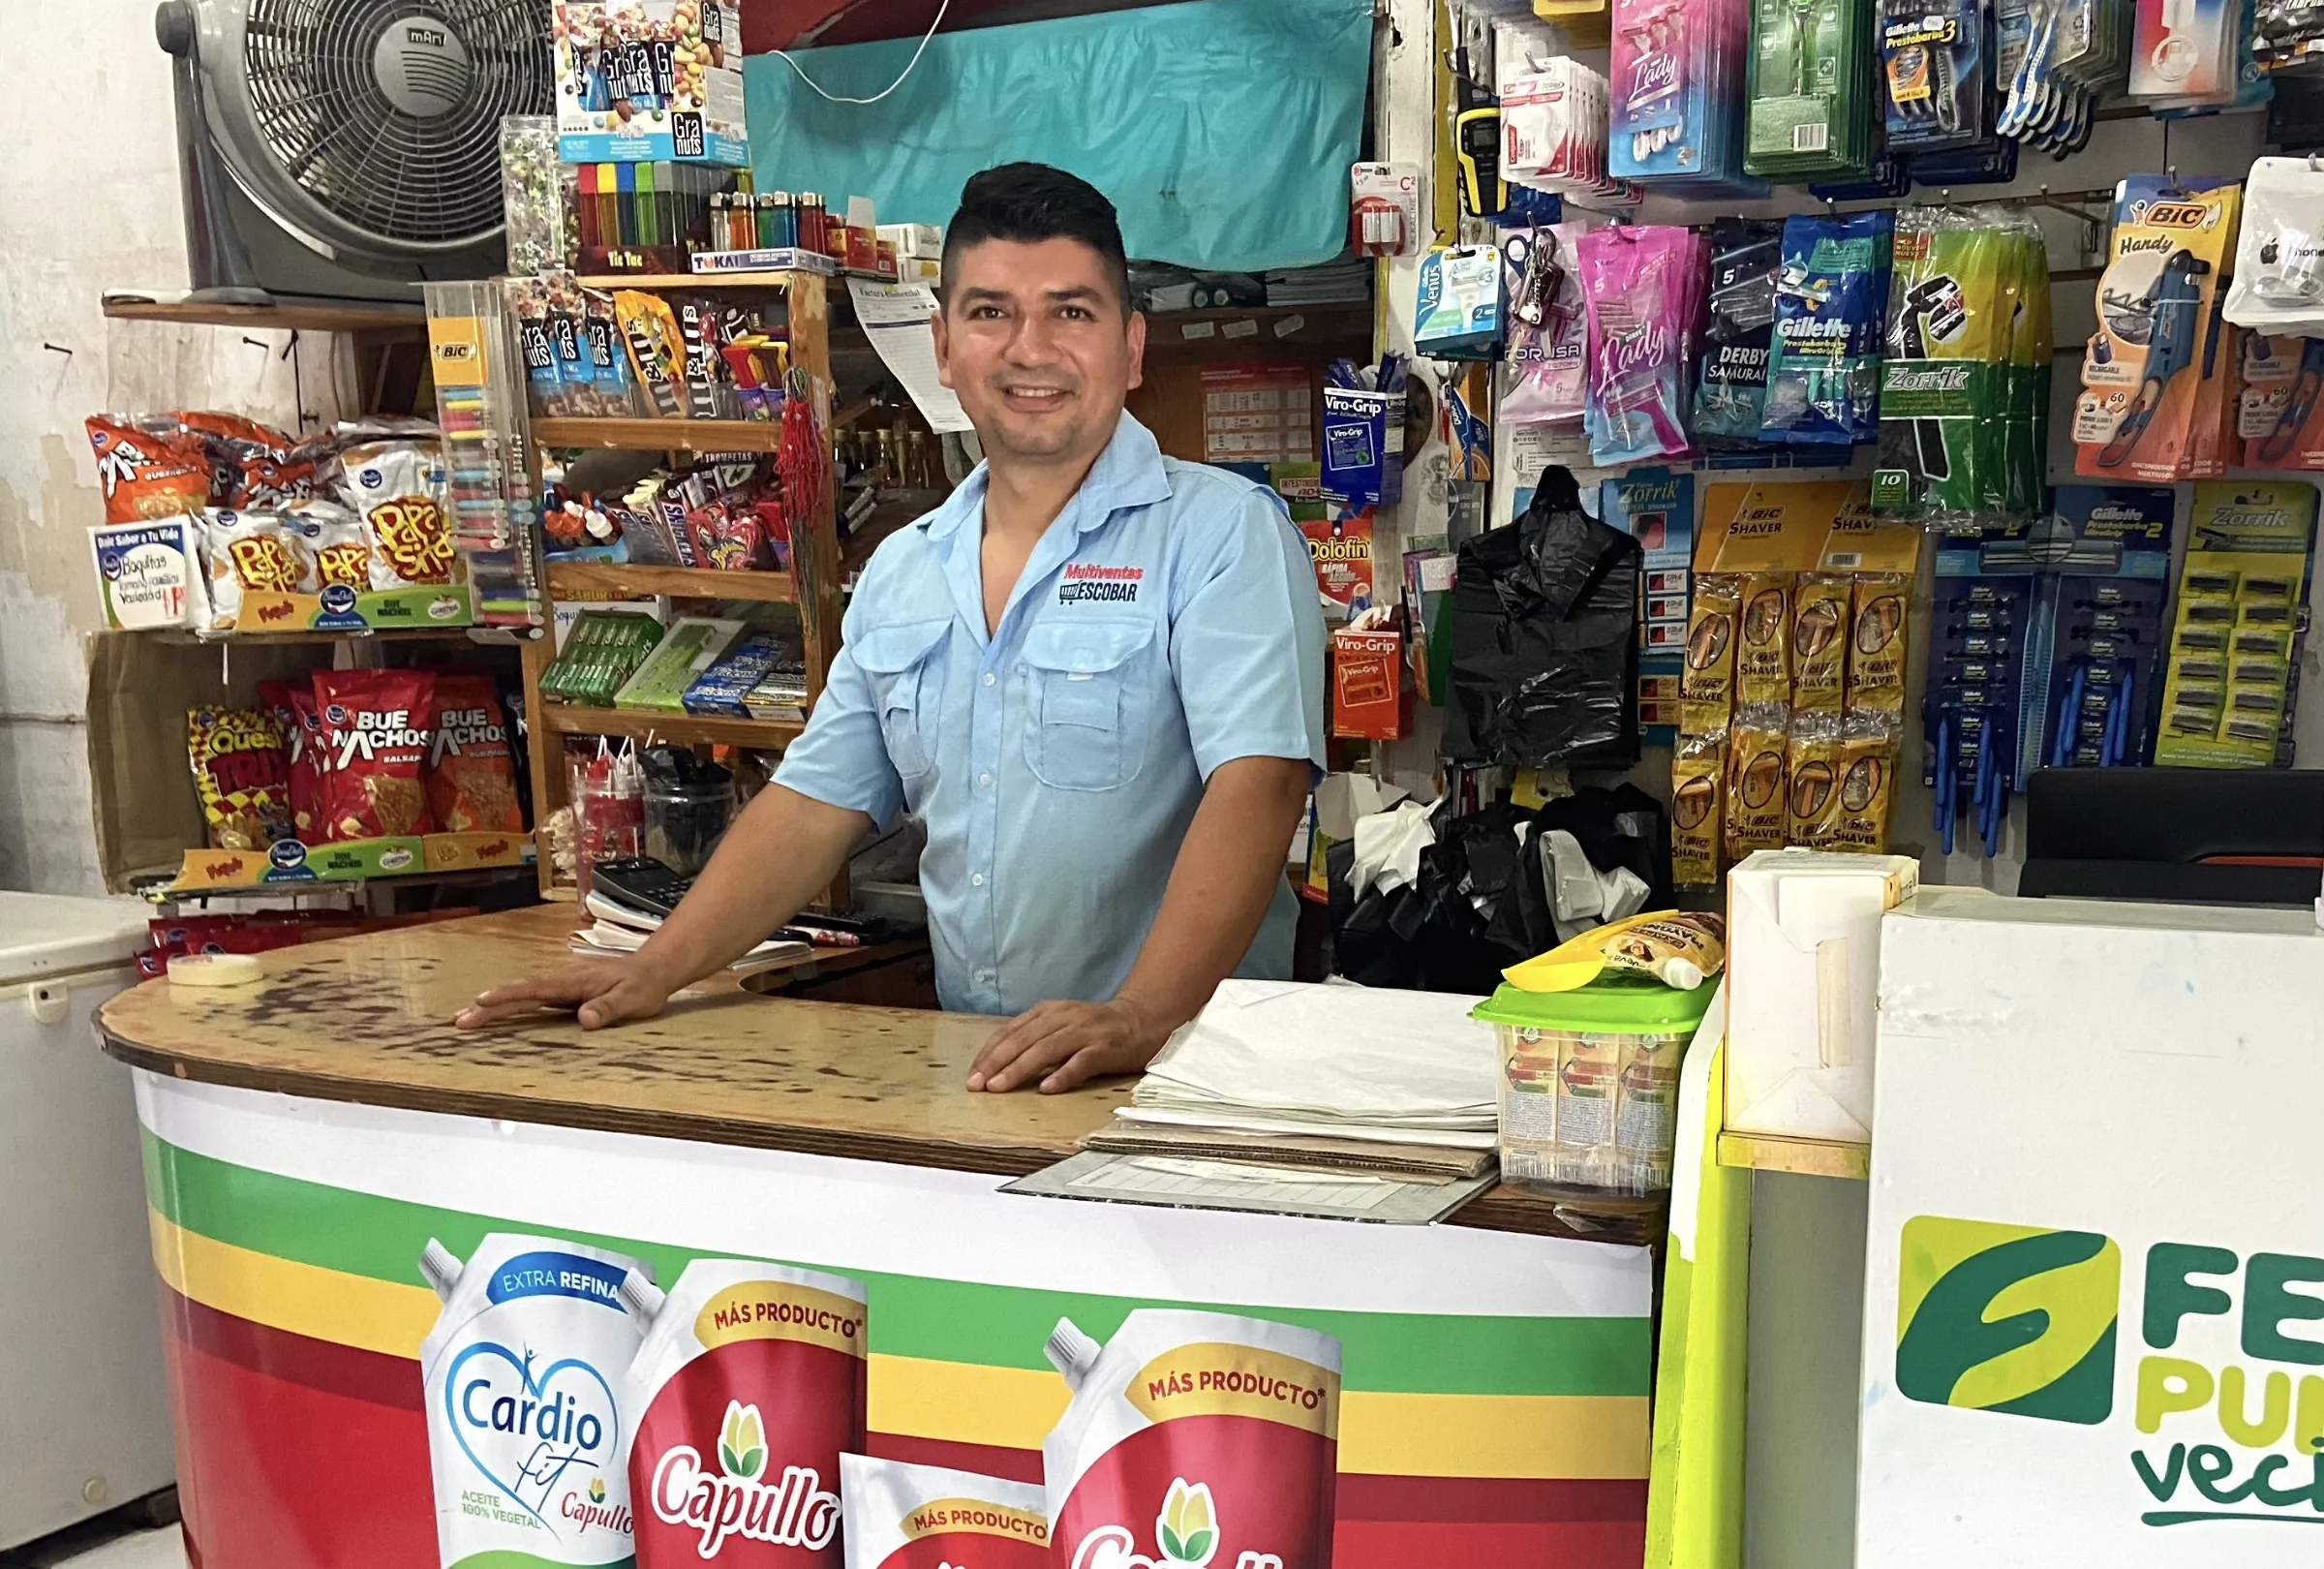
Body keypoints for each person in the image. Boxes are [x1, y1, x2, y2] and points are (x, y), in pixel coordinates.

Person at [459, 163, 1326, 1093]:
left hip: (1192, 1073)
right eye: (991, 313)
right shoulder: (908, 569)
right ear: (945, 347)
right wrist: (655, 968)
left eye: (1072, 312)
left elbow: (1260, 785)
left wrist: (1143, 1015)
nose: (1030, 349)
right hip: (981, 1072)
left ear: (1132, 347)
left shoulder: (1221, 532)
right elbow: (813, 804)